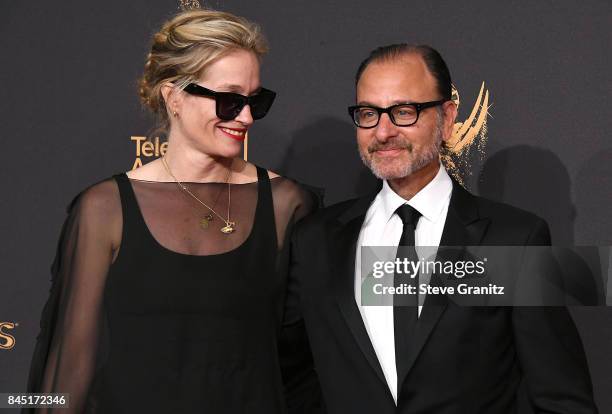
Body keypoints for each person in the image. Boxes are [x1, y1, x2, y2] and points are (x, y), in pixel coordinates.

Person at [26, 9, 321, 414]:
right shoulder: (104, 209)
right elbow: (70, 366)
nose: (247, 116)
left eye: (256, 100)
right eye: (230, 100)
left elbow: (308, 366)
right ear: (174, 96)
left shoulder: (289, 204)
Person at [288, 44, 598, 413]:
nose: (383, 131)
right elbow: (294, 381)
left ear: (447, 118)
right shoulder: (315, 241)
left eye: (404, 111)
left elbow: (560, 397)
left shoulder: (515, 239)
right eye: (369, 113)